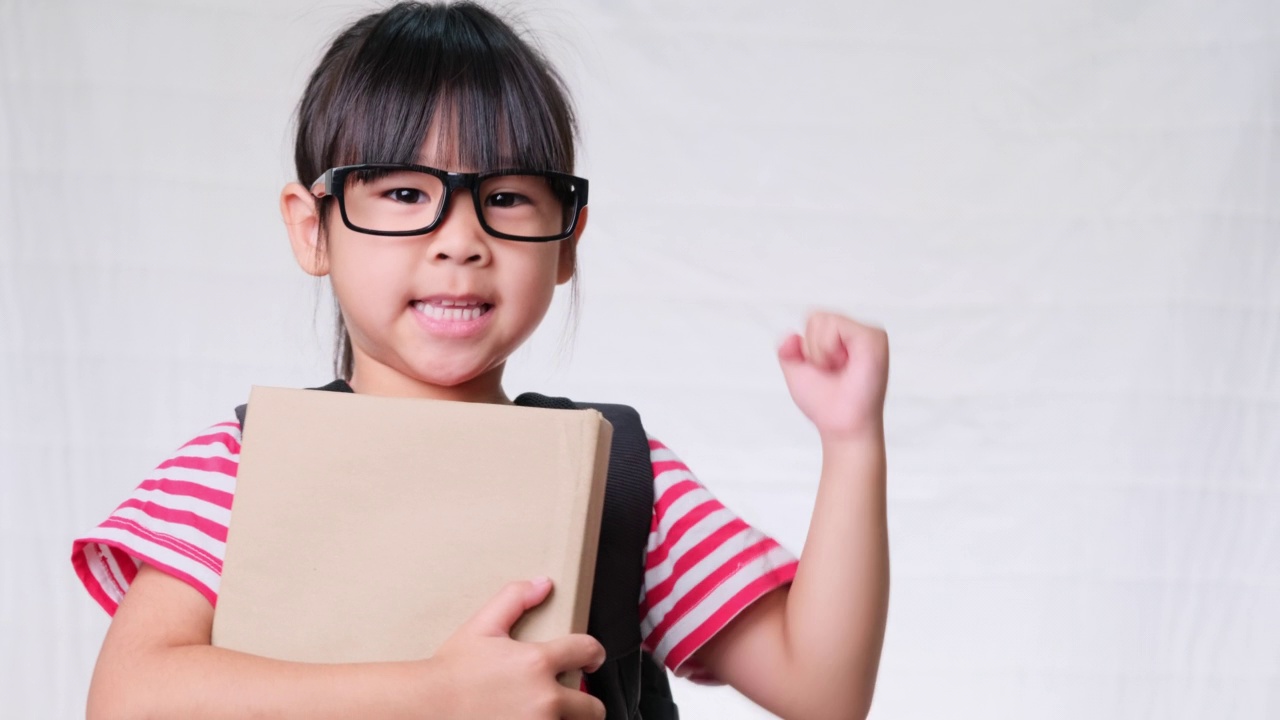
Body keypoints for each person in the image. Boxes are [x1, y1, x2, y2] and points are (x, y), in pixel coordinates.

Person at [70, 3, 890, 718]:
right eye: (402, 194)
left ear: (567, 240)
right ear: (311, 227)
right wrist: (435, 693)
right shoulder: (241, 468)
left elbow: (822, 690)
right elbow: (130, 697)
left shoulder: (619, 476)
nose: (461, 241)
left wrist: (852, 441)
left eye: (505, 198)